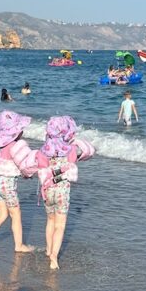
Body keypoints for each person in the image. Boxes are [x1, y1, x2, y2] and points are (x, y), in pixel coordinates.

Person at [35, 116, 95, 270]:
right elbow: (86, 153)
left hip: (48, 191)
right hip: (62, 192)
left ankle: (49, 250)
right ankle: (54, 257)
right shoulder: (71, 150)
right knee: (60, 225)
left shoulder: (43, 151)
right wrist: (73, 141)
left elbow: (41, 169)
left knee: (50, 221)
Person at [0, 111, 38, 254]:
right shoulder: (15, 146)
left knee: (2, 214)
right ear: (15, 132)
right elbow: (23, 164)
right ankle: (19, 245)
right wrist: (29, 173)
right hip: (7, 186)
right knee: (16, 214)